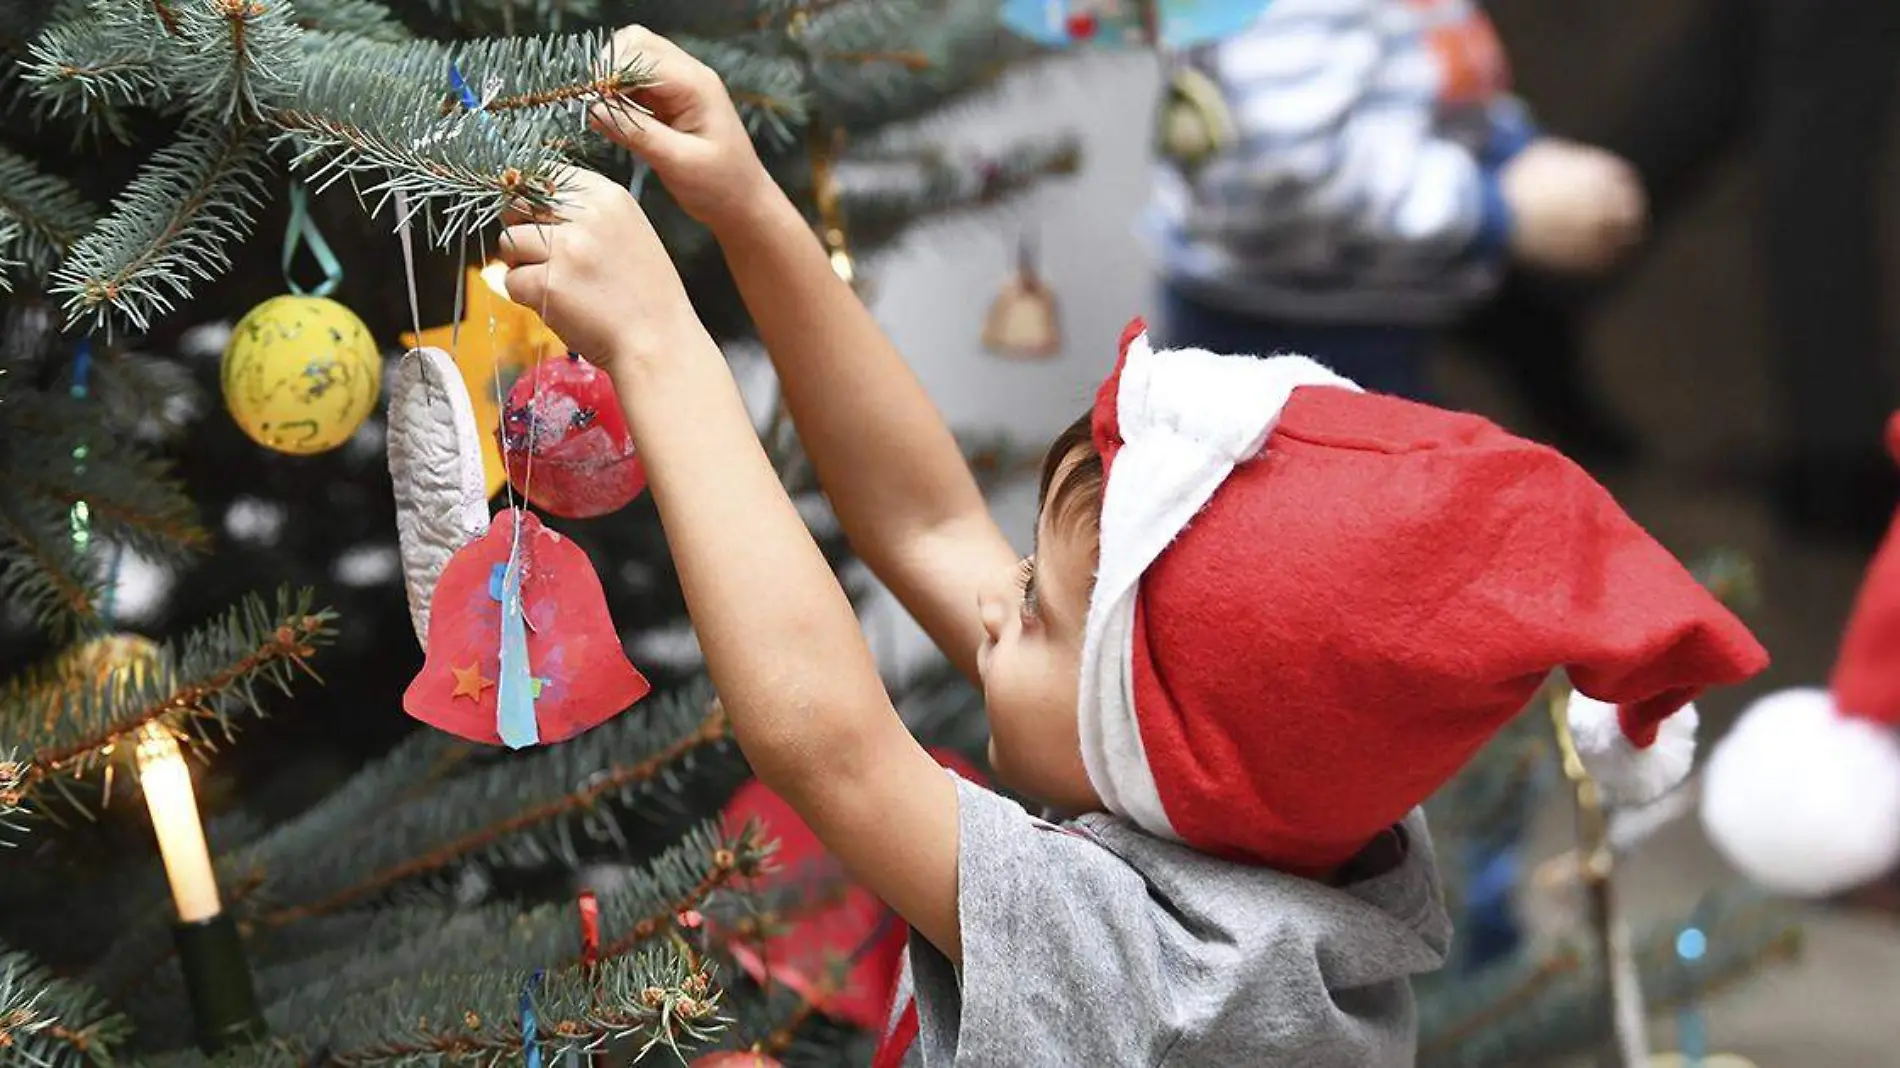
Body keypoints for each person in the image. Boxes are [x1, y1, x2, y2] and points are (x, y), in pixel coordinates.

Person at [496, 27, 1769, 1063]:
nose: (997, 607)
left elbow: (824, 740)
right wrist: (753, 210)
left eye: (1043, 613)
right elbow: (927, 521)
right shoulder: (1290, 821)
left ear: (1172, 747)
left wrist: (661, 347)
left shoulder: (1182, 978)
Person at [1145, 0, 1646, 402]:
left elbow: (1426, 89)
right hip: (1291, 338)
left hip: (1364, 305)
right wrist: (1495, 203)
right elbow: (1292, 170)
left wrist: (1518, 149)